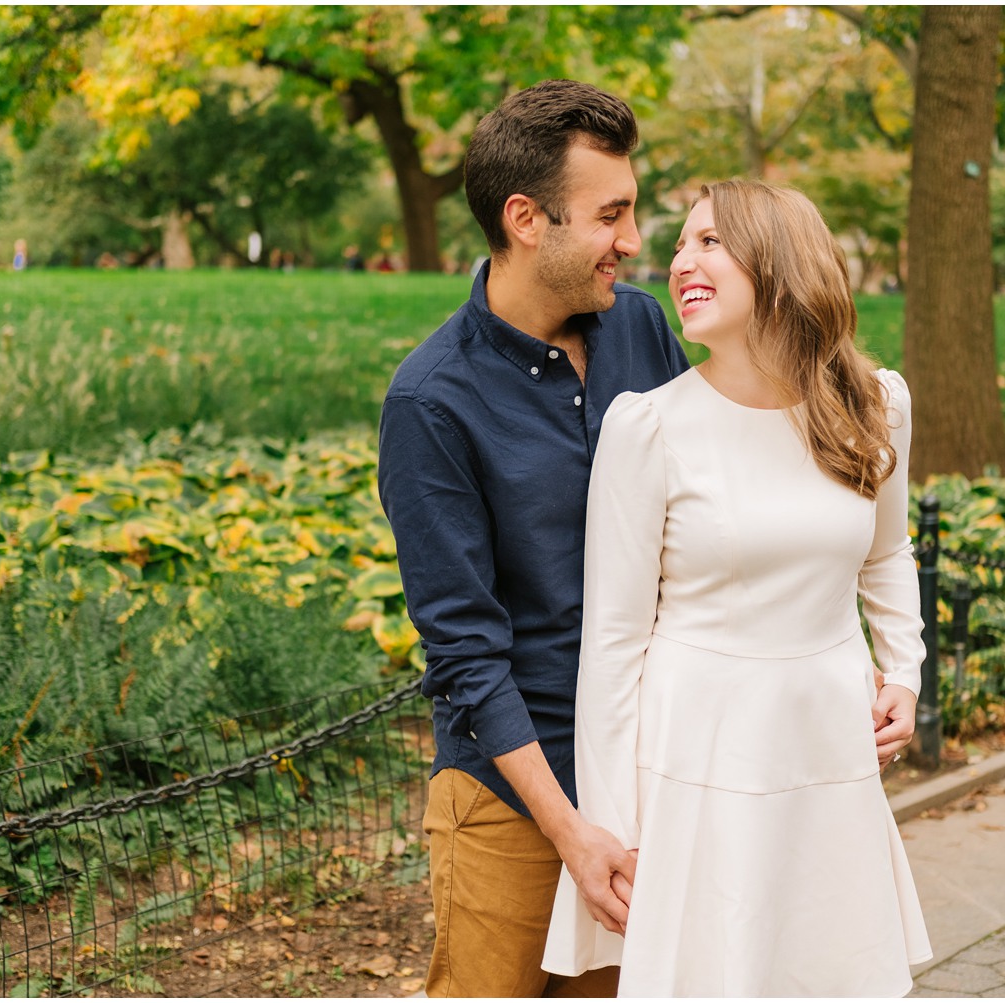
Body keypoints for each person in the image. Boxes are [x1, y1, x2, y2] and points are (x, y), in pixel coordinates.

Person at [543, 180, 931, 997]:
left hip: (826, 740)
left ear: (780, 266)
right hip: (694, 753)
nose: (680, 260)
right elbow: (612, 645)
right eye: (680, 244)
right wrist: (613, 827)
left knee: (827, 972)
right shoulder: (647, 427)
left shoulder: (874, 405)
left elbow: (887, 552)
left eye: (708, 242)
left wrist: (903, 669)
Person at [377, 80, 691, 997]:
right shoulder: (432, 401)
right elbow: (466, 655)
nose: (633, 243)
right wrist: (570, 829)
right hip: (512, 802)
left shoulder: (641, 329)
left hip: (641, 779)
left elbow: (709, 525)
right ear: (527, 218)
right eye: (611, 216)